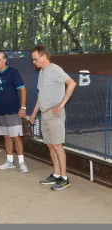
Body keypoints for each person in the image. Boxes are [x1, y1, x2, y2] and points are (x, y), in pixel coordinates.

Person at [30, 45, 76, 191]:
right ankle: (56, 174)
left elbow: (72, 83)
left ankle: (64, 178)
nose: (34, 62)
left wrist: (62, 104)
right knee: (50, 145)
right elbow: (41, 95)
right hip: (45, 114)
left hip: (55, 113)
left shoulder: (55, 69)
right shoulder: (42, 73)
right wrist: (33, 113)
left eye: (35, 59)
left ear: (43, 57)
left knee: (57, 145)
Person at [0, 51, 29, 173]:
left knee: (15, 136)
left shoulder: (13, 73)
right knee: (6, 136)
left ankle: (22, 163)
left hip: (12, 111)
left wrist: (23, 108)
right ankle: (10, 161)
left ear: (5, 60)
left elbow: (23, 90)